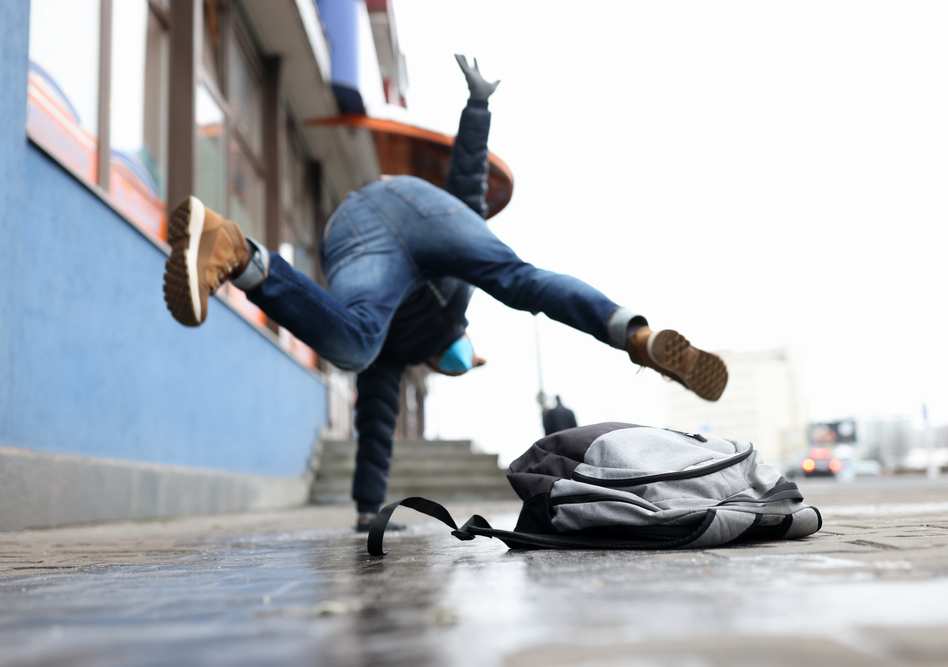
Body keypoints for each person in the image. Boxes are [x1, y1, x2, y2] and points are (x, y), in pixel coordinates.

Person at [162, 55, 728, 532]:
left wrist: (367, 511)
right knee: (515, 280)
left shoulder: (387, 350)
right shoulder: (446, 317)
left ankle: (238, 252)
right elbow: (465, 192)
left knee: (364, 343)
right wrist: (477, 111)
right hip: (408, 214)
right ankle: (635, 336)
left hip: (358, 224)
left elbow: (375, 427)